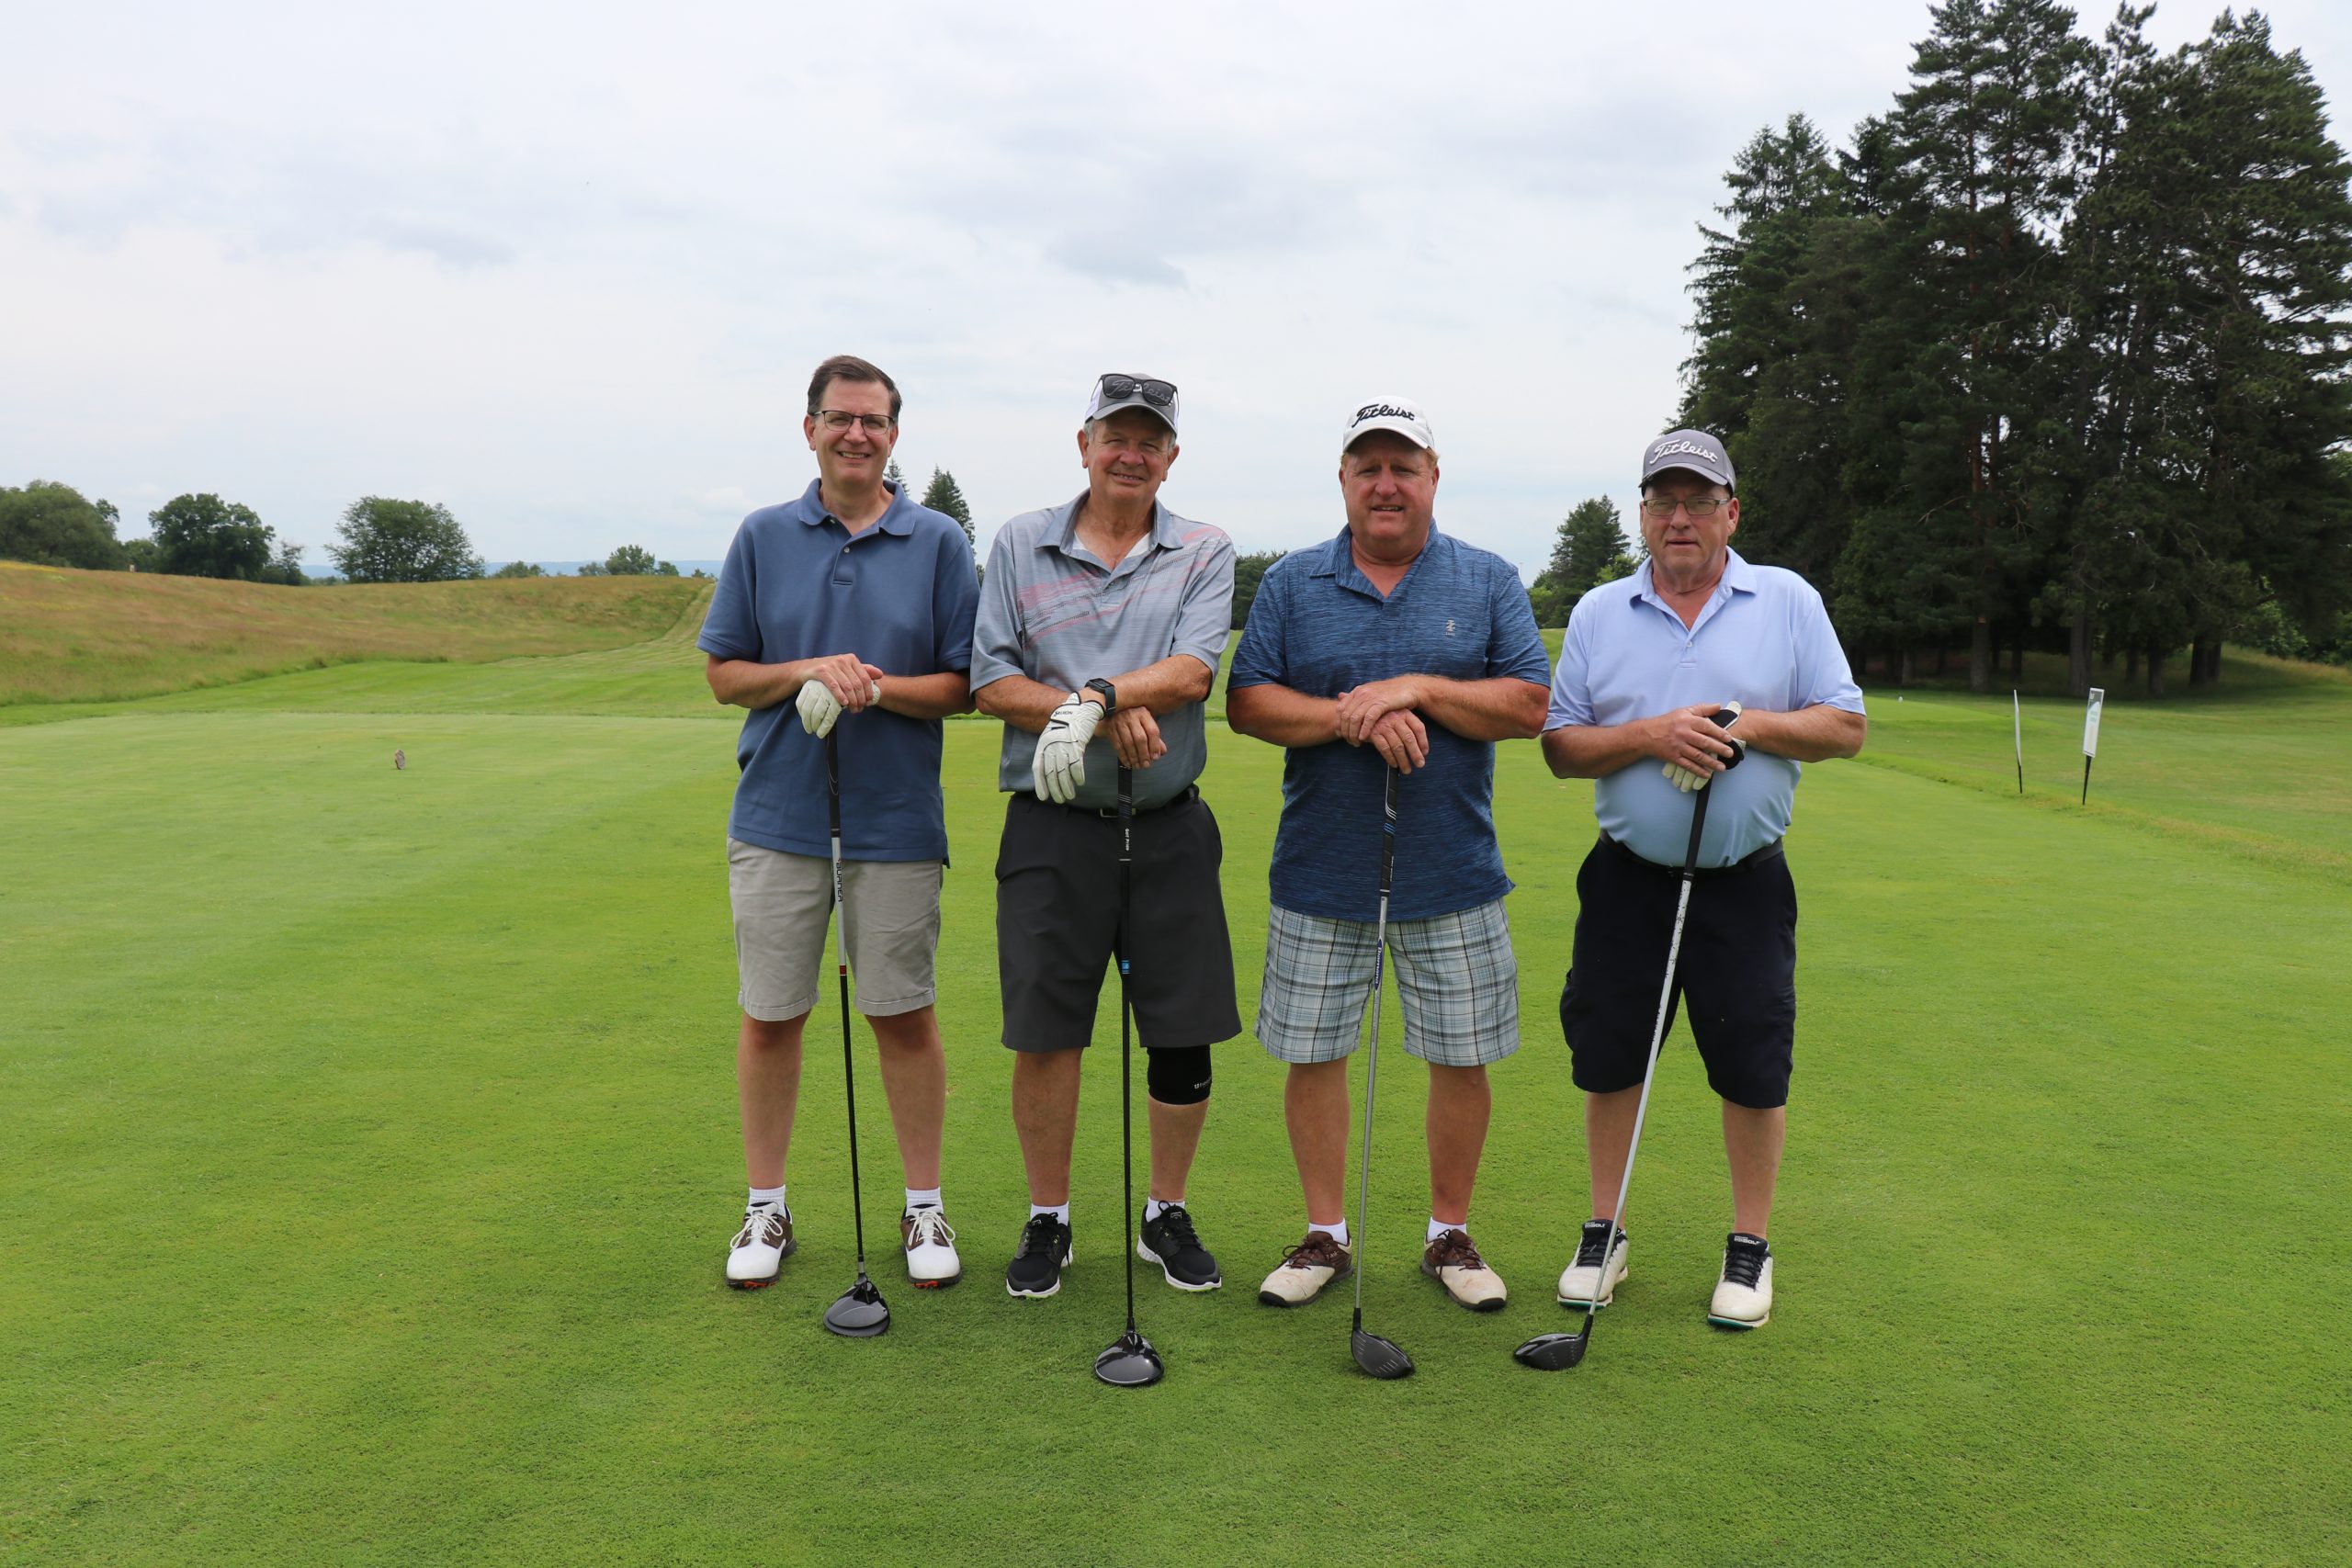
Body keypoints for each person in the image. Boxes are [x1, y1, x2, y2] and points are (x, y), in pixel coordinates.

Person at [1227, 399, 1550, 1314]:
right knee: (1314, 1055)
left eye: (1403, 467)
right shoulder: (1293, 581)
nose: (1385, 484)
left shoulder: (1486, 579)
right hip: (1320, 869)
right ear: (1343, 479)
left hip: (1454, 871)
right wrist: (1350, 716)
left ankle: (1449, 1233)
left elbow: (1529, 704)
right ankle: (1324, 1234)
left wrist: (1415, 688)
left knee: (1461, 1057)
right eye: (1367, 467)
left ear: (1432, 477)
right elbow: (1248, 702)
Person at [1541, 427, 1865, 1329]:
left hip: (1744, 883)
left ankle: (1749, 1245)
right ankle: (1604, 1233)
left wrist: (1743, 723)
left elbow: (1844, 726)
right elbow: (1561, 746)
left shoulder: (1787, 600)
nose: (1678, 517)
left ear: (1731, 513)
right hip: (1626, 880)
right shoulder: (1600, 611)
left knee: (1752, 1065)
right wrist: (1655, 733)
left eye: (1698, 501)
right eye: (1663, 501)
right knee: (1610, 1057)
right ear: (1642, 514)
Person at [698, 354, 981, 1292]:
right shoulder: (762, 534)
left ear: (893, 434)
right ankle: (765, 1206)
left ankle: (923, 1205)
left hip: (894, 821)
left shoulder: (937, 540)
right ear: (810, 427)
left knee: (902, 1014)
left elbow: (963, 685)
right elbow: (725, 673)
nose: (856, 433)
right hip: (777, 816)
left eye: (873, 420)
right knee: (771, 1016)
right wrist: (810, 669)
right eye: (839, 417)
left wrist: (873, 685)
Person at [968, 373, 1241, 1300]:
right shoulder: (1020, 541)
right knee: (1046, 1032)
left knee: (1182, 1032)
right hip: (1052, 828)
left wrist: (1098, 696)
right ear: (1083, 444)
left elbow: (1194, 670)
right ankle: (1049, 1216)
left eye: (1149, 440)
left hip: (1167, 824)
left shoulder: (1204, 547)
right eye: (1115, 436)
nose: (1131, 453)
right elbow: (990, 679)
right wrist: (1089, 711)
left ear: (1171, 456)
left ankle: (1166, 1212)